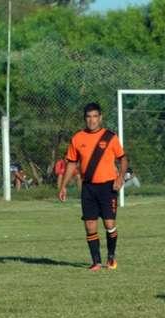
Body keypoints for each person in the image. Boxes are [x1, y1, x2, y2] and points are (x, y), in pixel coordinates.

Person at [58, 102, 128, 271]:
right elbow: (71, 164)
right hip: (88, 187)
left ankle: (111, 256)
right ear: (85, 119)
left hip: (108, 187)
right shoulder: (77, 138)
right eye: (89, 117)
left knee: (109, 224)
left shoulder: (110, 137)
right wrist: (63, 186)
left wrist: (120, 177)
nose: (92, 120)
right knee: (90, 225)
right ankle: (96, 262)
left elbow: (123, 159)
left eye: (95, 116)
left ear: (100, 118)